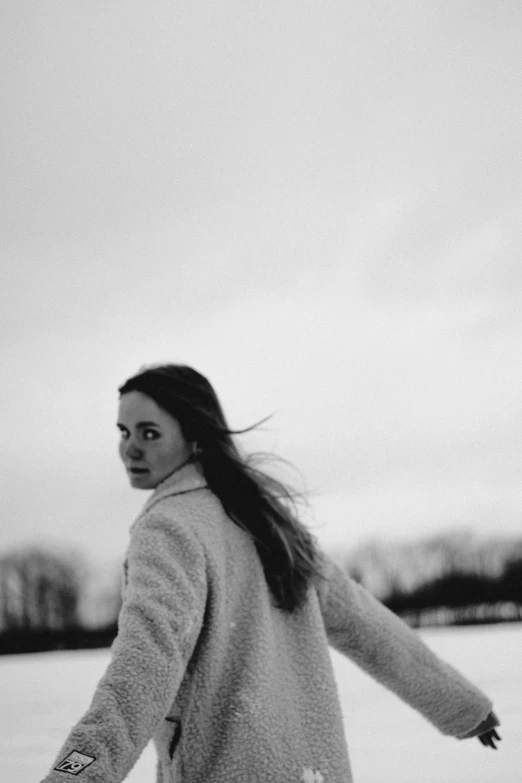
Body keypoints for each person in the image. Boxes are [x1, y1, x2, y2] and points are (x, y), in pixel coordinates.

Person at [41, 363, 501, 783]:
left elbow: (143, 669)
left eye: (150, 433)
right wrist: (463, 707)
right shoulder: (263, 518)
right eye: (123, 431)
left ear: (195, 437)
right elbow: (370, 627)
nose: (129, 448)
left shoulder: (168, 527)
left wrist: (73, 773)